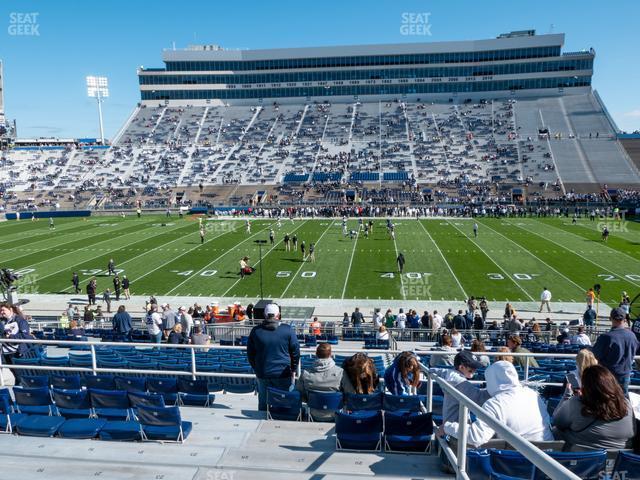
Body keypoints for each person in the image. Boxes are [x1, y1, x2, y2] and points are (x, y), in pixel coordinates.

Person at [441, 361, 553, 447]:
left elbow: (476, 437)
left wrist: (447, 427)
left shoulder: (495, 404)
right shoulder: (533, 394)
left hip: (517, 461)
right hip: (549, 458)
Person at [552, 365, 635, 451]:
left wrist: (567, 396)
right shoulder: (627, 404)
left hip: (580, 459)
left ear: (586, 386)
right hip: (618, 459)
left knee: (555, 431)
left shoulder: (576, 403)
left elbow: (557, 422)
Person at [246, 304, 300, 411]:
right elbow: (296, 352)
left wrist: (257, 368)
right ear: (278, 315)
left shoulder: (256, 331)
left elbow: (250, 354)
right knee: (283, 401)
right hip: (283, 373)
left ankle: (262, 420)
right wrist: (293, 369)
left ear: (264, 315)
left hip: (263, 372)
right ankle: (280, 421)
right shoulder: (287, 330)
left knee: (263, 402)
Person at [592, 307, 639, 394]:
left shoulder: (606, 337)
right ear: (624, 320)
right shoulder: (632, 336)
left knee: (608, 402)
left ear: (610, 318)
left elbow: (595, 355)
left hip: (608, 376)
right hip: (625, 375)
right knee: (623, 402)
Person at [296, 343, 343, 421]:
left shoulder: (306, 373)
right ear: (330, 354)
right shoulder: (341, 372)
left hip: (313, 414)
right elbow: (348, 394)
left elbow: (300, 394)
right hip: (335, 415)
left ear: (316, 354)